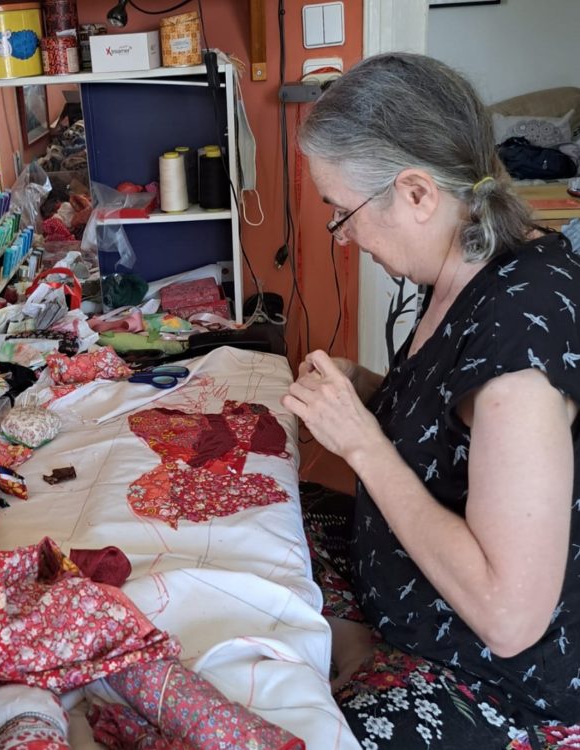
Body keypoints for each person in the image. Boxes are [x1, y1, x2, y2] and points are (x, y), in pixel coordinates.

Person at [283, 52, 580, 750]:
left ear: (417, 193)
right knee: (257, 539)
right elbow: (465, 442)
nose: (346, 237)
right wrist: (376, 394)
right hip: (411, 599)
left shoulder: (520, 345)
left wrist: (360, 440)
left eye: (343, 213)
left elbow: (508, 616)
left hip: (507, 684)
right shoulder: (470, 262)